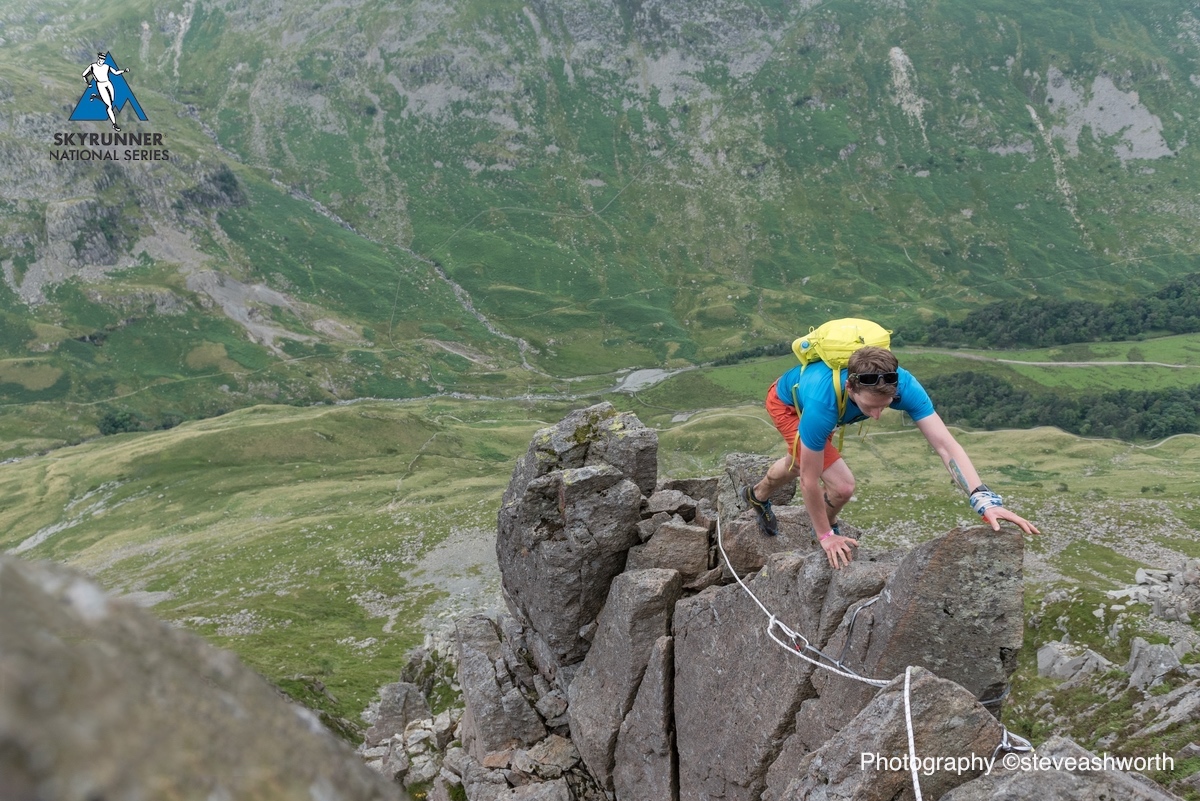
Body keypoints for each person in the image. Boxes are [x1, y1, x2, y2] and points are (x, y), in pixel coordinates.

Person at [742, 345, 1039, 570]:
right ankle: (781, 507)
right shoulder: (823, 404)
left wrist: (983, 501)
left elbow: (946, 445)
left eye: (885, 405)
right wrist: (825, 537)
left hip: (831, 411)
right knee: (832, 482)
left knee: (804, 465)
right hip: (789, 405)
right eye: (870, 407)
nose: (877, 415)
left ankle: (792, 509)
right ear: (850, 387)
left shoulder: (904, 386)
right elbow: (809, 481)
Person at [82, 53, 131, 132]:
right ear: (98, 58)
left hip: (108, 83)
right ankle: (114, 124)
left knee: (111, 101)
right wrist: (88, 84)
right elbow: (84, 75)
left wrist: (124, 71)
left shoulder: (106, 67)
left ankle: (95, 96)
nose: (102, 61)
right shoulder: (92, 66)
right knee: (109, 106)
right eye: (101, 59)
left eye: (103, 59)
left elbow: (115, 72)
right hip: (100, 85)